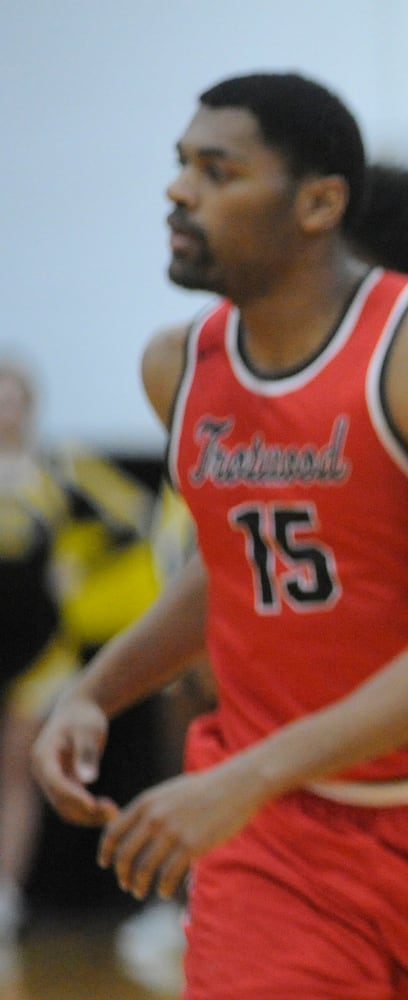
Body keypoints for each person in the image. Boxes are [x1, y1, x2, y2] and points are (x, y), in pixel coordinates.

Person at [30, 72, 408, 1000]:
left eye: (217, 169)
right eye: (179, 165)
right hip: (275, 833)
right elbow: (229, 572)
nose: (177, 190)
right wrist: (95, 691)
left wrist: (241, 778)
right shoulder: (178, 367)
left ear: (319, 202)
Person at [0, 359, 150, 966]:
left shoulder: (59, 465)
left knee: (16, 771)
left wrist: (81, 569)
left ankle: (5, 898)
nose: (3, 410)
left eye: (12, 399)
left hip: (40, 652)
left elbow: (138, 516)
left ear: (30, 406)